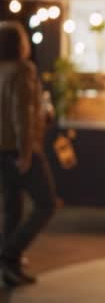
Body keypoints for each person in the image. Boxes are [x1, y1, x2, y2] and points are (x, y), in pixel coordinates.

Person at [0, 21, 56, 286]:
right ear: (17, 44)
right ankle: (8, 253)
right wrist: (26, 152)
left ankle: (9, 268)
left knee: (13, 208)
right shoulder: (23, 70)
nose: (27, 44)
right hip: (20, 149)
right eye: (23, 39)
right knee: (47, 203)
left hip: (2, 150)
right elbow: (20, 113)